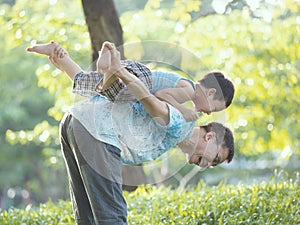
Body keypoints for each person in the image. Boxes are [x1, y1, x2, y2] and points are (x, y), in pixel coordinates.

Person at [27, 41, 234, 224]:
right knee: (112, 216)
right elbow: (154, 103)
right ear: (210, 136)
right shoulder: (185, 120)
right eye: (215, 158)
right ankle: (109, 67)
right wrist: (121, 72)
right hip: (96, 131)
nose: (209, 165)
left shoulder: (173, 134)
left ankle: (63, 56)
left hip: (75, 123)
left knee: (87, 216)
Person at [27, 41, 235, 121]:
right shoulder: (189, 90)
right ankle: (110, 63)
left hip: (134, 75)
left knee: (88, 84)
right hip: (140, 79)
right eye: (213, 109)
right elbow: (162, 95)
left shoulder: (188, 88)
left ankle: (58, 53)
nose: (208, 113)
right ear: (210, 92)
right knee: (107, 92)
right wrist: (183, 111)